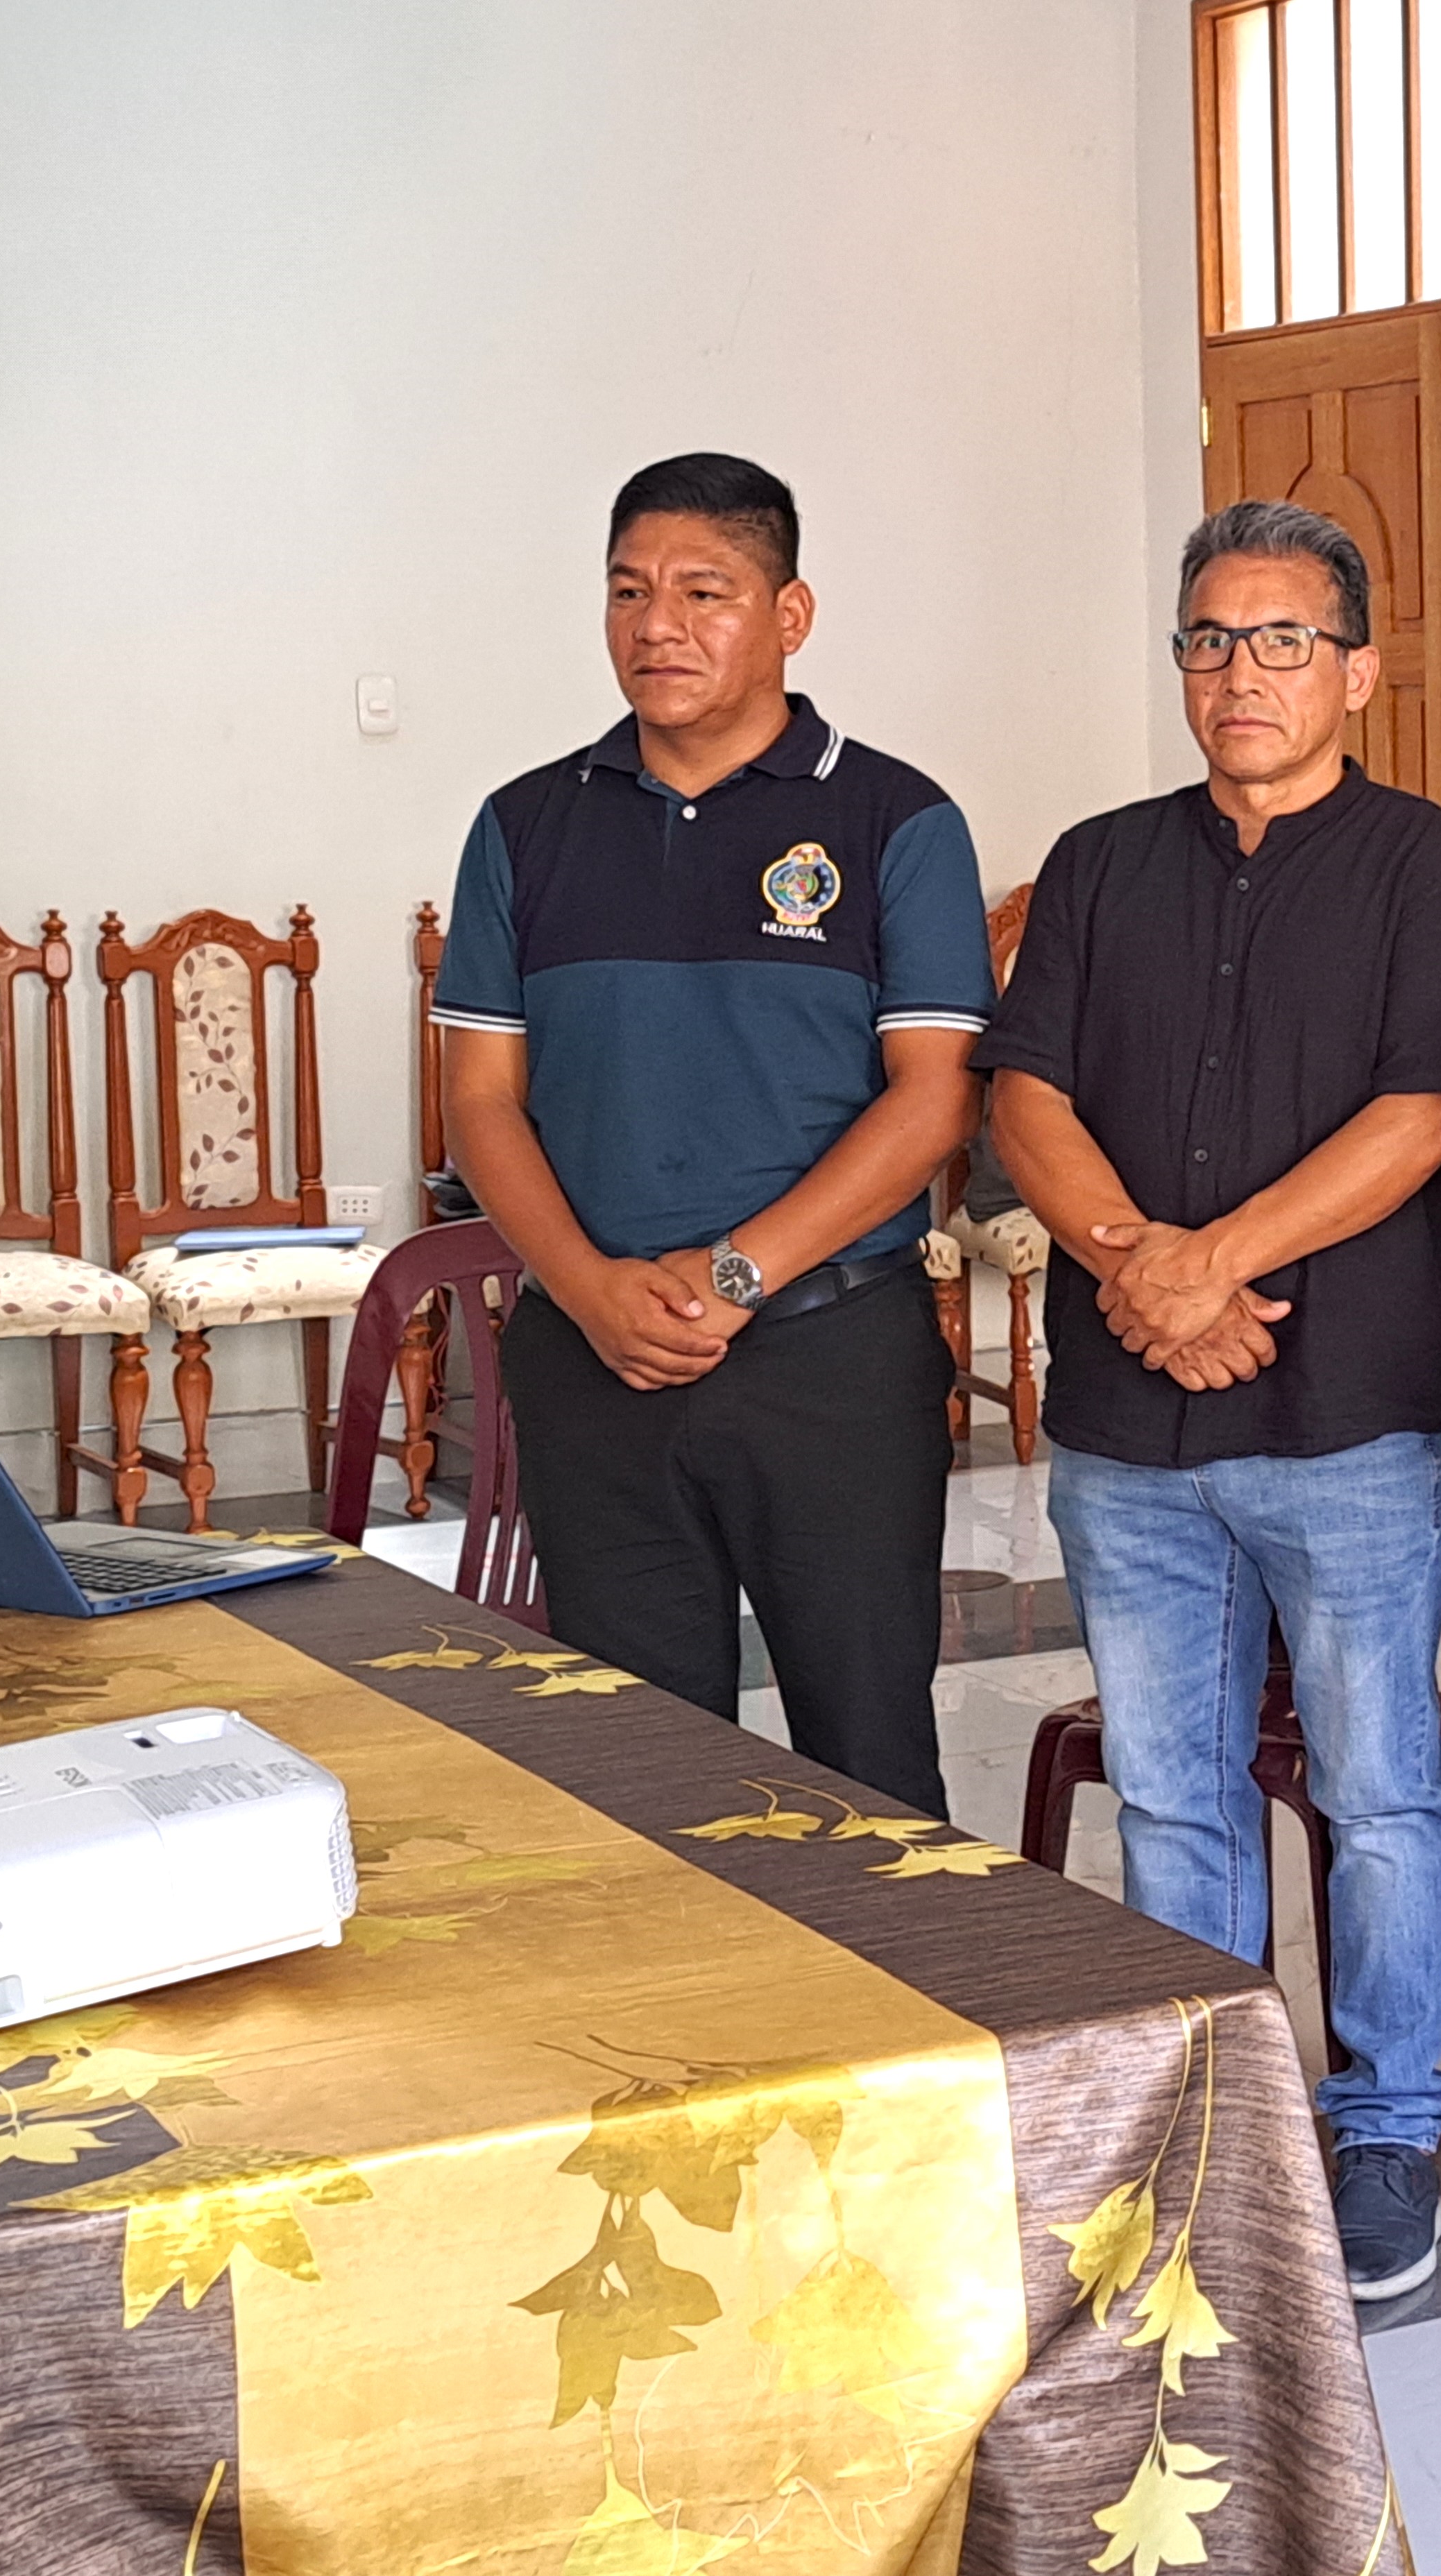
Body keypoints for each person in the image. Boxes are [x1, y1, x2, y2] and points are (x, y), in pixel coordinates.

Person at [977, 499, 1441, 2301]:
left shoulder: (1432, 868)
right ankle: (1208, 2119)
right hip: (1130, 1434)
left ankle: (1383, 2129)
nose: (1241, 672)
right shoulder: (1099, 863)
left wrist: (1205, 1263)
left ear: (1357, 669)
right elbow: (1025, 1096)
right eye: (1210, 638)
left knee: (1378, 1789)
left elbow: (1419, 1121)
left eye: (1283, 638)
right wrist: (1140, 1262)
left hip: (1344, 1422)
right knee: (1174, 1797)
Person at [432, 453, 989, 1815]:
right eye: (627, 592)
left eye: (702, 592)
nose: (657, 626)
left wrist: (737, 1272)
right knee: (638, 1776)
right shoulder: (524, 826)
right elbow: (481, 1099)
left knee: (867, 1766)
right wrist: (587, 1288)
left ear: (790, 615)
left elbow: (933, 1096)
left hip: (830, 1358)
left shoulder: (896, 819)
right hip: (594, 1355)